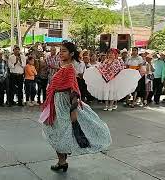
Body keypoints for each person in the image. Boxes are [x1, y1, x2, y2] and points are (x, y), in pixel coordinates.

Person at [39, 42, 111, 172]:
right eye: (60, 51)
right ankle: (62, 161)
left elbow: (73, 91)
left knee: (57, 132)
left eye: (64, 51)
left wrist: (73, 111)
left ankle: (62, 161)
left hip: (63, 105)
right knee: (57, 132)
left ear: (71, 53)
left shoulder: (69, 69)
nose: (61, 53)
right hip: (57, 103)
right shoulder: (63, 67)